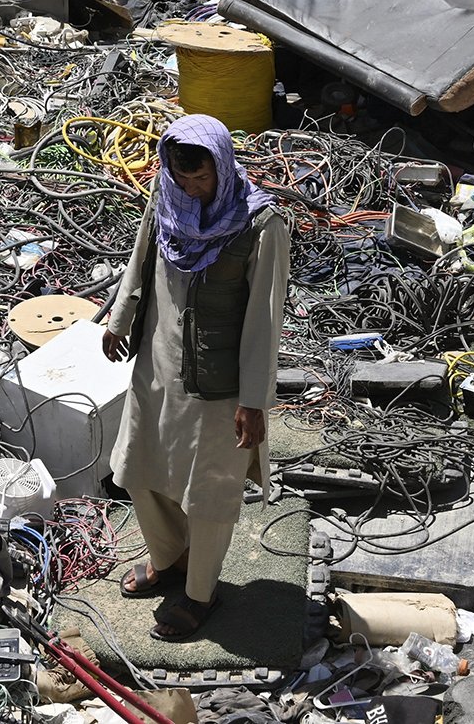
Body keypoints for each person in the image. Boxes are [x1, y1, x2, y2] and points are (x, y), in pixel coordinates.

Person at [102, 114, 290, 642]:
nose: (190, 190)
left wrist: (253, 400)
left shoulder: (260, 226)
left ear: (222, 168)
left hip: (219, 385)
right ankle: (169, 560)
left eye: (201, 179)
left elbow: (265, 319)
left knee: (208, 492)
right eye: (182, 178)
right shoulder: (165, 197)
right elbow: (141, 260)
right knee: (140, 466)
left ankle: (201, 593)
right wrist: (119, 319)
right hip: (158, 362)